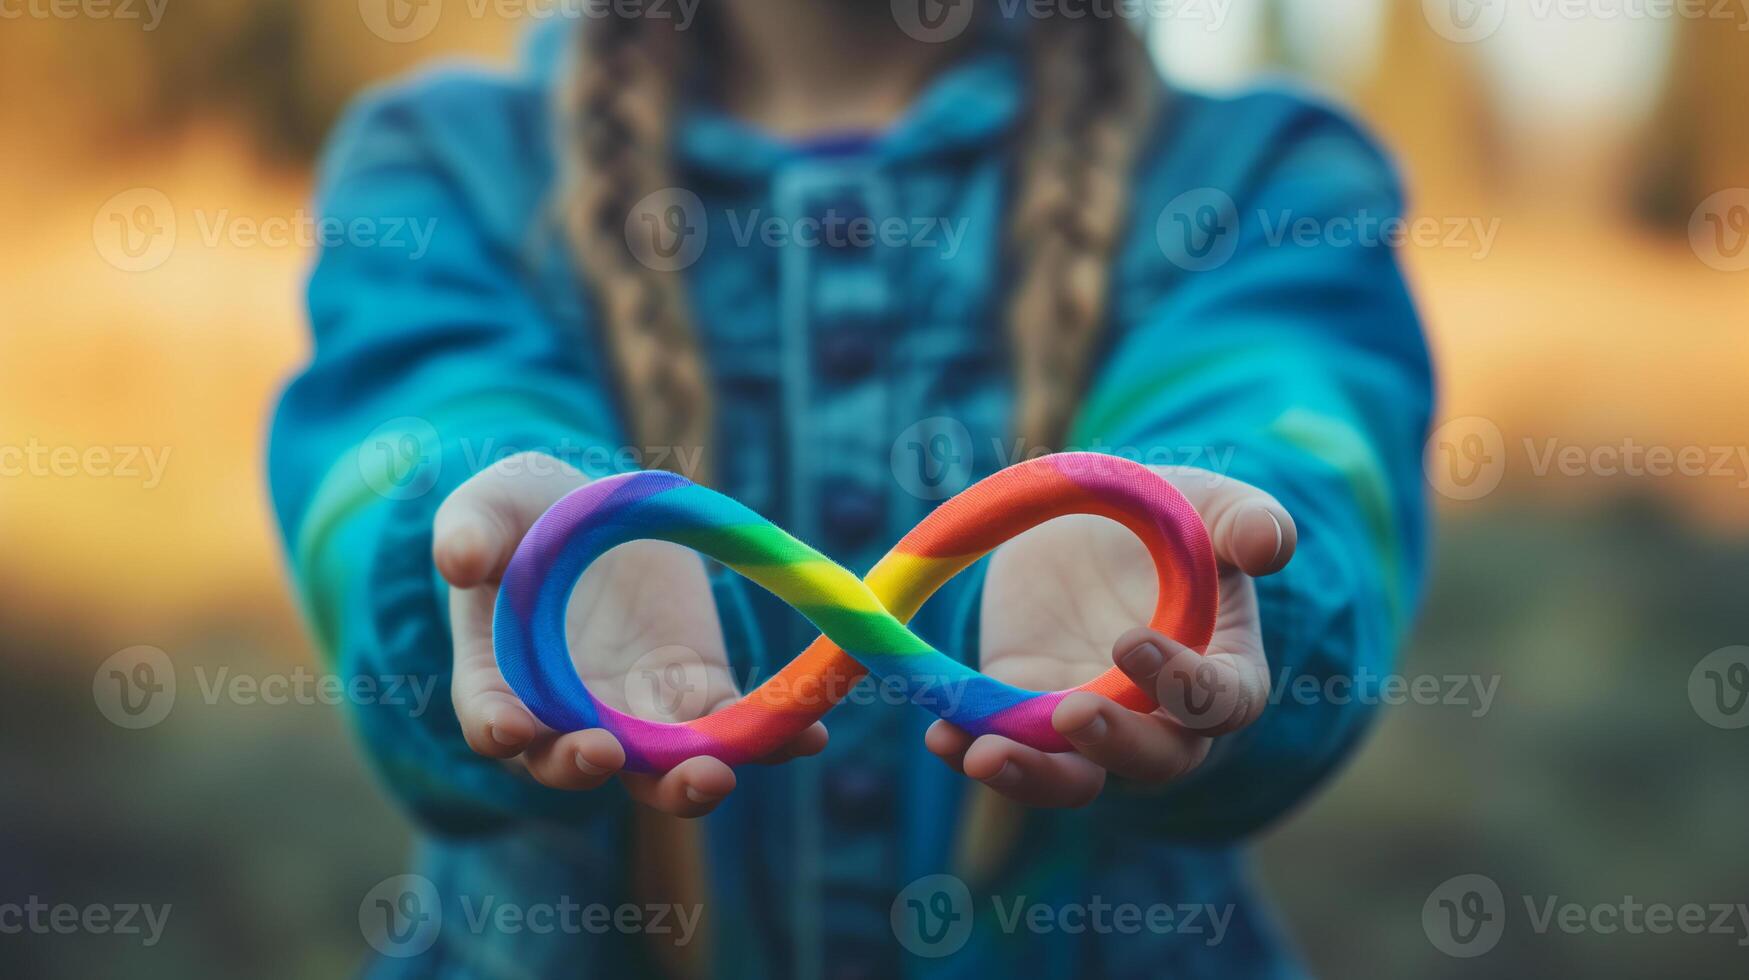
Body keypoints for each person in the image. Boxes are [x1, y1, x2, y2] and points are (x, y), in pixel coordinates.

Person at [269, 3, 1432, 977]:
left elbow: (1289, 419)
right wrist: (487, 537)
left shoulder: (1272, 177)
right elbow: (416, 424)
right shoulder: (440, 162)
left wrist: (1208, 557)